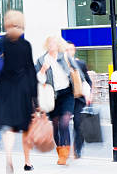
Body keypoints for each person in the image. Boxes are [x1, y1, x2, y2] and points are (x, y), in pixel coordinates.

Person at [0, 10, 37, 173]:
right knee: (26, 128)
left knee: (9, 128)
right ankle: (27, 162)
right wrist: (35, 97)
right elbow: (31, 70)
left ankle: (9, 157)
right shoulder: (25, 45)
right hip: (23, 90)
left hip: (6, 89)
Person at [36, 36, 82, 165]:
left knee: (65, 122)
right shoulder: (41, 60)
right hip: (52, 96)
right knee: (56, 125)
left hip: (67, 93)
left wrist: (85, 88)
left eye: (54, 43)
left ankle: (65, 152)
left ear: (58, 45)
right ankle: (60, 151)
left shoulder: (65, 56)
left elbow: (77, 72)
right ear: (47, 45)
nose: (52, 45)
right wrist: (43, 70)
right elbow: (39, 80)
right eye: (50, 43)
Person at [66, 42, 92, 159]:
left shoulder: (80, 64)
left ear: (74, 50)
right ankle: (64, 148)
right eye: (66, 50)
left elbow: (88, 81)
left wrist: (89, 95)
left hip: (78, 99)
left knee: (78, 124)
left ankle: (78, 148)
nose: (69, 52)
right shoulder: (60, 64)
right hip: (65, 99)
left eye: (71, 49)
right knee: (63, 124)